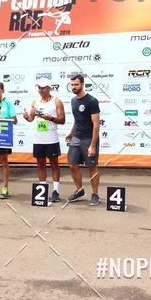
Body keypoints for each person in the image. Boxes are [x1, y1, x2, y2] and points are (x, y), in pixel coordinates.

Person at [22, 78, 66, 202]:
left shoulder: (56, 101)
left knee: (54, 165)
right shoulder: (35, 102)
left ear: (49, 88)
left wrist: (51, 118)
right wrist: (26, 117)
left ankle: (55, 191)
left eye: (43, 88)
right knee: (40, 165)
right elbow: (31, 118)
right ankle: (43, 189)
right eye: (39, 88)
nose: (41, 90)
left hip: (51, 139)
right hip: (38, 139)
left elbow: (62, 120)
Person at [66, 74, 101, 206]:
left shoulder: (92, 101)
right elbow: (77, 119)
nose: (74, 87)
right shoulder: (73, 101)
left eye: (76, 84)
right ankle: (80, 191)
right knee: (72, 165)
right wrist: (71, 133)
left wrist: (93, 145)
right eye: (72, 85)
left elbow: (96, 125)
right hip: (76, 137)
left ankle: (95, 194)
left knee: (91, 167)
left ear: (82, 84)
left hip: (89, 138)